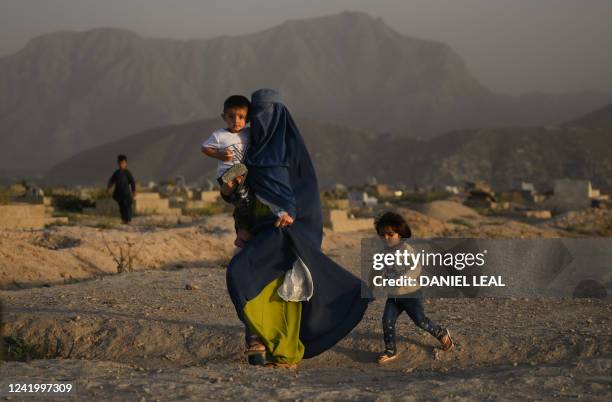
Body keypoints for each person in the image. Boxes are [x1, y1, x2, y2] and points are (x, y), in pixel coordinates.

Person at [226, 89, 369, 368]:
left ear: (280, 116)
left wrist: (291, 214)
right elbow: (237, 191)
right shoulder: (246, 148)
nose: (262, 120)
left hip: (287, 232)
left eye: (267, 113)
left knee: (263, 281)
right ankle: (258, 343)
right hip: (258, 229)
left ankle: (273, 347)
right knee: (250, 279)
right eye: (257, 114)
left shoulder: (291, 152)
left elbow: (305, 196)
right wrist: (239, 218)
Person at [373, 211, 453, 364]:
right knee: (387, 321)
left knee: (420, 321)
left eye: (390, 234)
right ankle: (390, 351)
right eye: (383, 235)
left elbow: (416, 268)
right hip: (394, 296)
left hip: (411, 294)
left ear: (400, 234)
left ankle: (441, 333)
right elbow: (380, 269)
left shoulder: (406, 250)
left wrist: (402, 279)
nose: (386, 238)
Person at [201, 95, 255, 248]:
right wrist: (219, 155)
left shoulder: (247, 133)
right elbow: (205, 148)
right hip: (226, 173)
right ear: (224, 117)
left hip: (242, 176)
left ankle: (240, 233)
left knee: (242, 201)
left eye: (241, 117)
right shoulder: (219, 136)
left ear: (247, 118)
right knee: (240, 177)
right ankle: (227, 186)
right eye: (231, 116)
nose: (236, 120)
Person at [107, 154, 136, 224]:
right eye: (120, 163)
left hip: (126, 193)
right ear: (118, 163)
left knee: (127, 206)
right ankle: (123, 219)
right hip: (119, 193)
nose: (121, 165)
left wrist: (133, 190)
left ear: (126, 164)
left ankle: (128, 220)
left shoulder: (127, 173)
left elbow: (132, 181)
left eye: (123, 163)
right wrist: (109, 187)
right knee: (122, 207)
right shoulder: (116, 173)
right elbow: (112, 180)